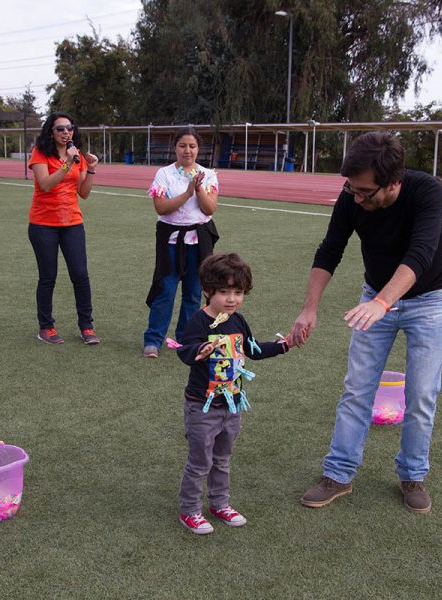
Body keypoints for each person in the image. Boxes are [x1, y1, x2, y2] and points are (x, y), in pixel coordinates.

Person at [290, 131, 442, 514]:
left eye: (365, 192)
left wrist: (383, 302)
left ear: (393, 182)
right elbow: (330, 248)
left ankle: (412, 475)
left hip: (428, 301)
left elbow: (422, 252)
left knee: (422, 393)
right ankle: (339, 473)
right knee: (357, 389)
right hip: (376, 298)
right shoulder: (351, 196)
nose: (357, 199)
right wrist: (309, 307)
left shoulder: (427, 191)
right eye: (352, 190)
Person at [175, 253, 290, 534]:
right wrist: (198, 352)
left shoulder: (238, 321)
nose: (231, 299)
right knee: (200, 462)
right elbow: (185, 350)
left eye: (238, 293)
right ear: (207, 291)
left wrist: (284, 345)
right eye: (224, 292)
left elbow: (253, 350)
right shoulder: (198, 322)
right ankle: (190, 510)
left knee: (222, 459)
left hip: (232, 405)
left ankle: (219, 503)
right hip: (202, 407)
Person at [143, 127, 219, 358]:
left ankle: (187, 340)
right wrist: (187, 193)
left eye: (193, 146)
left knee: (194, 293)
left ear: (198, 149)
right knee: (165, 290)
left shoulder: (208, 175)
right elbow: (161, 207)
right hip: (171, 241)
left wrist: (198, 188)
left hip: (199, 241)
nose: (188, 150)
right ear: (175, 147)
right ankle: (153, 340)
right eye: (183, 145)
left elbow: (209, 208)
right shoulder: (164, 174)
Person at [28, 113, 101, 345]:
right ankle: (46, 327)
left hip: (72, 223)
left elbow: (84, 193)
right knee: (48, 277)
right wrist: (67, 162)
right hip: (43, 224)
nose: (65, 132)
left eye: (69, 128)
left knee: (80, 275)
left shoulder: (76, 154)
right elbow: (46, 184)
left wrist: (90, 169)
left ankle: (86, 327)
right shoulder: (40, 153)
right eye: (60, 129)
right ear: (51, 131)